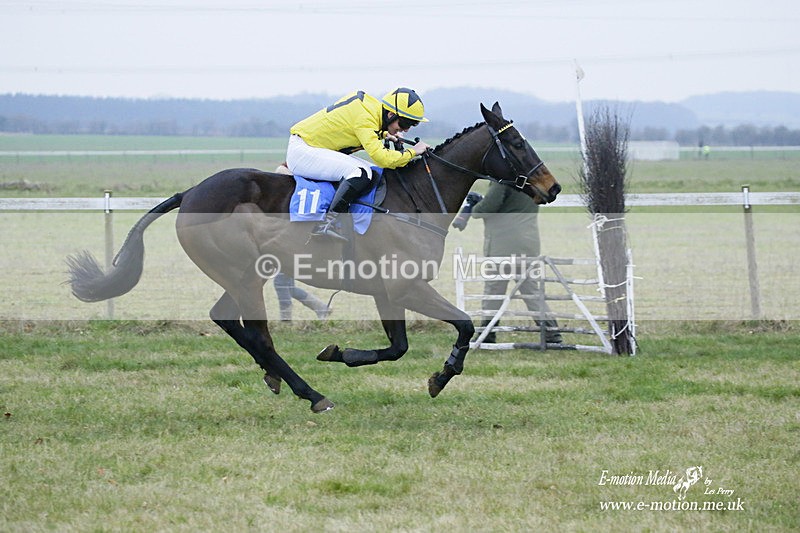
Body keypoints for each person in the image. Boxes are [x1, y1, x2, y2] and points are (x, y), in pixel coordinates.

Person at [286, 88, 431, 240]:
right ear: (390, 115)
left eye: (412, 125)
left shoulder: (371, 110)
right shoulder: (366, 117)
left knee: (372, 171)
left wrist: (384, 134)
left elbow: (359, 128)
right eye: (404, 123)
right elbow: (383, 158)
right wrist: (413, 152)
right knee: (360, 172)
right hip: (303, 151)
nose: (406, 129)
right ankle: (327, 224)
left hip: (313, 147)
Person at [453, 181, 563, 344]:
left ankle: (487, 334)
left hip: (502, 246)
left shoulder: (503, 181)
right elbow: (510, 205)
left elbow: (487, 209)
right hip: (528, 244)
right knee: (531, 292)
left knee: (494, 292)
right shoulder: (533, 181)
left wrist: (474, 206)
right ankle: (552, 334)